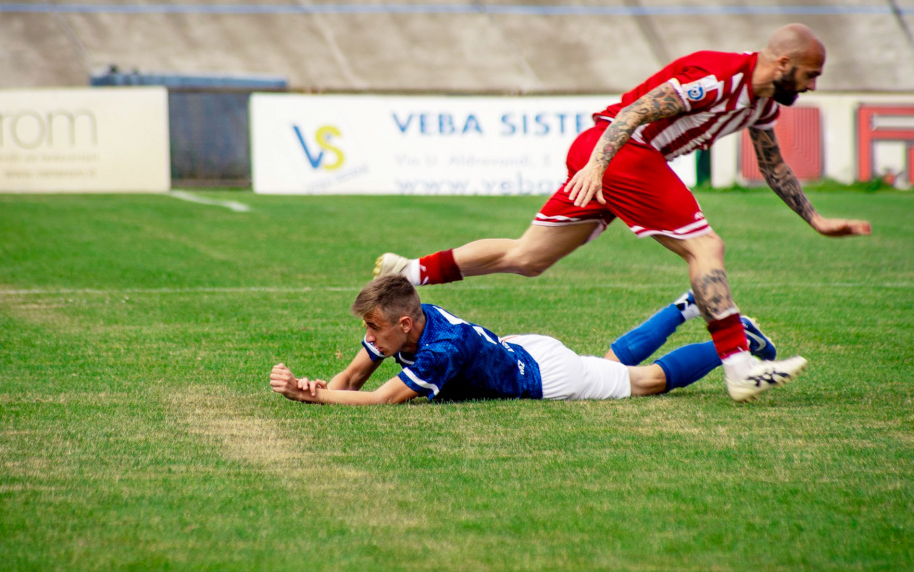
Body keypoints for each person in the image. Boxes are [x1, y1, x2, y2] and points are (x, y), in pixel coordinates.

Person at [372, 23, 869, 401]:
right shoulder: (717, 78)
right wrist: (598, 166)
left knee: (529, 257)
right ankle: (738, 363)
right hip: (623, 152)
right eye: (810, 75)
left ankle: (412, 270)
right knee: (706, 246)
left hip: (607, 155)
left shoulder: (761, 105)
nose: (812, 86)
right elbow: (635, 113)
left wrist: (817, 220)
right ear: (783, 61)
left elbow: (773, 164)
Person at [269, 276, 806, 406]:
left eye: (372, 328)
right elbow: (355, 380)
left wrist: (307, 394)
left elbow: (380, 400)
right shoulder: (403, 324)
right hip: (521, 348)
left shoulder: (438, 350)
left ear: (404, 324)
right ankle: (685, 306)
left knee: (644, 381)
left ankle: (731, 341)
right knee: (612, 361)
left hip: (544, 376)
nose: (367, 336)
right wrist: (321, 387)